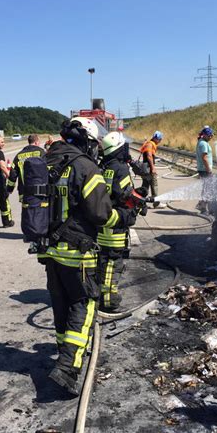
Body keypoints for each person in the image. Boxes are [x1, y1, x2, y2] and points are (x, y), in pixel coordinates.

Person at [37, 117, 136, 396]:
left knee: (61, 303)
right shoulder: (85, 167)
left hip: (50, 250)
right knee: (84, 303)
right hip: (78, 251)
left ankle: (63, 352)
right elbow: (101, 214)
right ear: (86, 142)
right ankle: (68, 369)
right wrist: (124, 216)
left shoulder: (47, 162)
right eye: (92, 144)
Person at [98, 131, 134, 311]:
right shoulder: (120, 169)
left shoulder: (103, 166)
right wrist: (137, 203)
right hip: (115, 224)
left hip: (101, 223)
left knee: (102, 261)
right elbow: (125, 195)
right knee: (113, 261)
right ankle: (108, 299)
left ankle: (99, 294)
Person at [7, 134, 45, 203]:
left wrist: (10, 188)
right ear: (36, 142)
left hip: (24, 192)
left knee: (27, 212)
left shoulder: (19, 155)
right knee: (39, 212)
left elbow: (13, 174)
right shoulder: (41, 152)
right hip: (40, 190)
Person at [140, 130, 165, 208]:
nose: (160, 141)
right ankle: (156, 203)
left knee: (145, 186)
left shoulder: (148, 143)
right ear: (156, 138)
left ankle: (140, 203)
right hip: (148, 168)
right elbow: (149, 156)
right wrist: (153, 168)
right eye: (160, 139)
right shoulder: (150, 144)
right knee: (154, 184)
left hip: (145, 167)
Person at [195, 125, 214, 213]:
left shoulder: (202, 142)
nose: (211, 137)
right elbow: (204, 157)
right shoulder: (203, 143)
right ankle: (203, 208)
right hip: (205, 169)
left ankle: (202, 205)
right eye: (209, 135)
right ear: (205, 135)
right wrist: (209, 170)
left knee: (206, 188)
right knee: (208, 188)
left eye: (211, 135)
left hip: (203, 169)